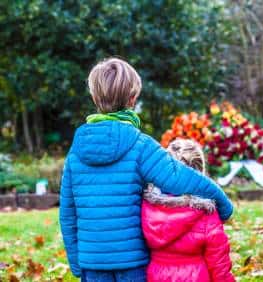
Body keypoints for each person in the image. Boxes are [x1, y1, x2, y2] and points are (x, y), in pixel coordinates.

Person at [59, 57, 233, 281]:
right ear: (133, 99)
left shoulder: (76, 151)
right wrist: (222, 201)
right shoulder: (140, 145)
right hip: (133, 263)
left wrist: (76, 262)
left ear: (94, 97)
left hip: (92, 262)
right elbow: (180, 178)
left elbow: (68, 213)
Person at [142, 139, 235, 282]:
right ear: (200, 173)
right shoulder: (206, 212)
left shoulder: (146, 206)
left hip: (155, 275)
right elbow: (218, 264)